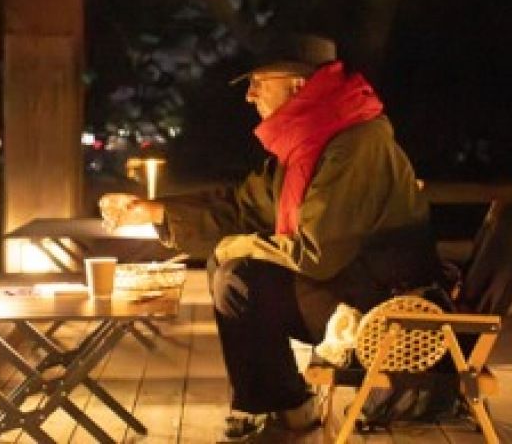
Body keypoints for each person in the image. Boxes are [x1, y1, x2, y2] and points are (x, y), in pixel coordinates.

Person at [99, 34, 445, 441]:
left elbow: (318, 254)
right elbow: (244, 207)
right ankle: (278, 403)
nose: (249, 96)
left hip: (382, 304)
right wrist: (154, 210)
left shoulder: (355, 145)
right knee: (227, 266)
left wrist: (243, 245)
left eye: (259, 83)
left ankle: (287, 409)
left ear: (298, 86)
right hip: (352, 284)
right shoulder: (310, 143)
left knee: (241, 277)